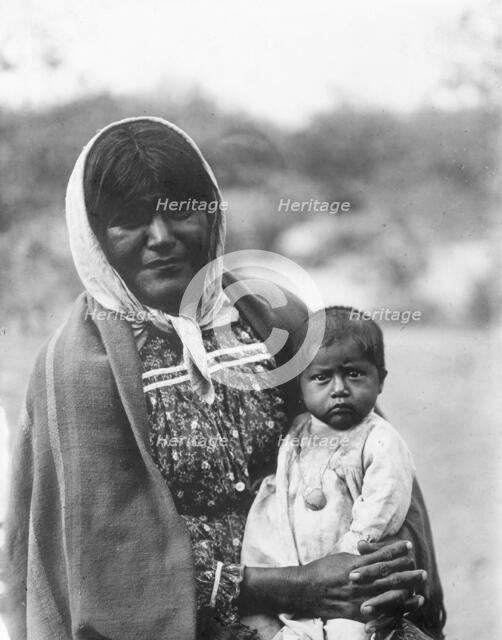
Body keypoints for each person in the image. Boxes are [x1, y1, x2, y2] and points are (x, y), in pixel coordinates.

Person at [1, 117, 445, 640]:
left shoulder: (274, 321)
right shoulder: (78, 371)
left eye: (181, 211)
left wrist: (378, 568)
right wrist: (293, 585)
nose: (161, 238)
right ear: (94, 237)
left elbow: (372, 451)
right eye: (128, 220)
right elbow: (106, 568)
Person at [242, 306, 427, 639]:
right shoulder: (299, 432)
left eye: (354, 374)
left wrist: (350, 557)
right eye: (322, 377)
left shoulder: (379, 439)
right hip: (300, 575)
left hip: (351, 577)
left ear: (380, 380)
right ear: (301, 385)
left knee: (351, 633)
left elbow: (384, 502)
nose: (339, 388)